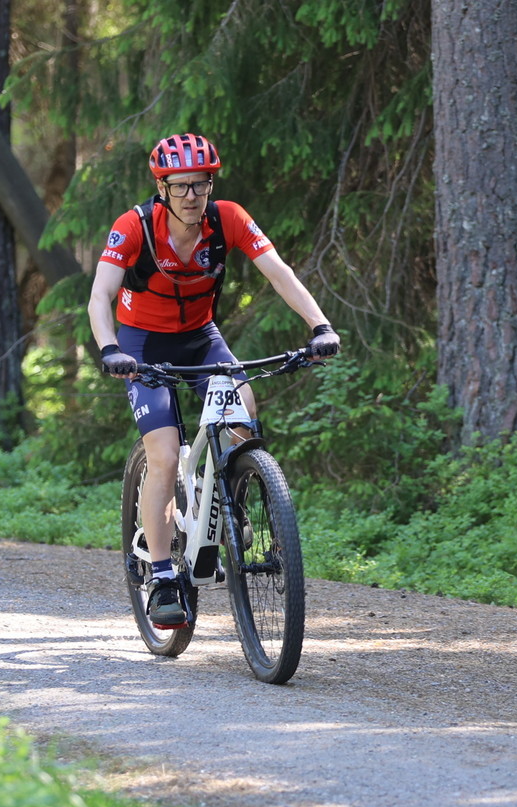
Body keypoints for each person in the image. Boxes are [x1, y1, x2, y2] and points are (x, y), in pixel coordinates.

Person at [88, 133, 341, 629]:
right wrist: (110, 349)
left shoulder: (228, 219)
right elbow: (100, 296)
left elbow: (280, 273)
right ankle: (163, 575)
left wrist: (321, 326)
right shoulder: (134, 226)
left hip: (201, 338)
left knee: (244, 414)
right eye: (180, 186)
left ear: (210, 185)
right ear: (162, 188)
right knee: (164, 455)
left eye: (200, 184)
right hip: (142, 345)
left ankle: (224, 498)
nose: (191, 195)